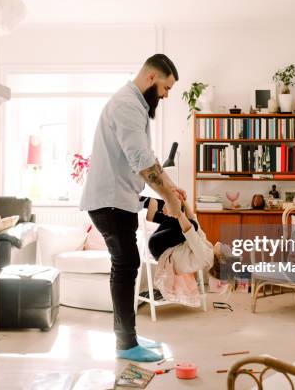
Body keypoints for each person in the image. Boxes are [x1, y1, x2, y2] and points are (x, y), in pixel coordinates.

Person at [79, 54, 184, 362]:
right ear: (152, 78)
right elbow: (142, 163)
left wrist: (171, 188)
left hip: (118, 199)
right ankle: (126, 344)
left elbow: (149, 158)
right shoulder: (127, 105)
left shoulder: (135, 106)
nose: (165, 96)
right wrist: (173, 203)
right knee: (126, 267)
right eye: (166, 88)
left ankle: (128, 339)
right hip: (110, 201)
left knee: (126, 266)